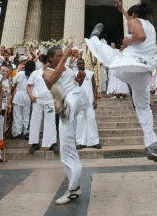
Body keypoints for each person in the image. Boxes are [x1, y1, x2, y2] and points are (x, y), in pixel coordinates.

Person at [85, 0, 157, 162]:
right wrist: (122, 11)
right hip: (144, 71)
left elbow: (139, 35)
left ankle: (94, 40)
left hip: (128, 67)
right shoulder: (150, 26)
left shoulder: (135, 23)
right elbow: (136, 25)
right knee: (143, 107)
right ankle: (151, 145)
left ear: (134, 15)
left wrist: (127, 41)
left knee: (110, 56)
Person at [43, 45, 89, 205]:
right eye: (58, 55)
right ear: (50, 58)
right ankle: (74, 186)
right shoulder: (47, 72)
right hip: (66, 101)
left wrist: (80, 78)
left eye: (63, 54)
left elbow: (74, 83)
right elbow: (52, 83)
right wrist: (65, 58)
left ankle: (72, 188)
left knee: (67, 147)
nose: (63, 56)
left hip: (75, 96)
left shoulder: (66, 67)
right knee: (66, 147)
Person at [26, 55, 57, 154]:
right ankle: (34, 143)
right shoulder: (35, 73)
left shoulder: (53, 72)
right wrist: (31, 95)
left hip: (50, 101)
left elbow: (57, 87)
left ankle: (51, 143)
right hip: (37, 101)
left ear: (49, 62)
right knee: (35, 121)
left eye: (46, 62)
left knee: (50, 121)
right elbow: (28, 86)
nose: (44, 64)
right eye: (42, 62)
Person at [75, 58, 101, 149]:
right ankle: (80, 142)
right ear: (77, 65)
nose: (81, 65)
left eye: (82, 63)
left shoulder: (90, 73)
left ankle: (94, 141)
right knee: (80, 120)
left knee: (91, 119)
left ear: (84, 63)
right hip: (79, 102)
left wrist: (95, 99)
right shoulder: (74, 74)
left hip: (90, 101)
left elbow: (94, 86)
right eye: (79, 63)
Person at [0, 64, 12, 162]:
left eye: (6, 71)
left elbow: (9, 94)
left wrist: (9, 104)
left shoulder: (8, 82)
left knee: (0, 134)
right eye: (2, 70)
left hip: (3, 109)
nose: (4, 73)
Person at [11, 60, 35, 139]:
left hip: (18, 96)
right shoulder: (34, 75)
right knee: (26, 116)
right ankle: (26, 132)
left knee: (17, 115)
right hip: (28, 97)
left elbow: (14, 82)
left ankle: (16, 132)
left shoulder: (20, 73)